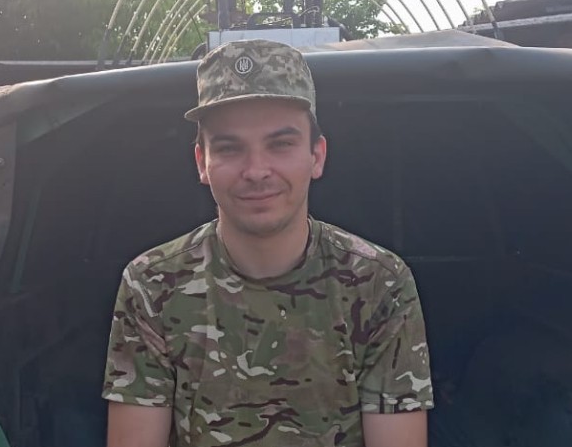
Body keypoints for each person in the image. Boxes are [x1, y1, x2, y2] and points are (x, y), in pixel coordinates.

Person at [102, 39, 434, 447]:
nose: (257, 170)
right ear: (202, 163)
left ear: (317, 156)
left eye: (280, 144)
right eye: (230, 148)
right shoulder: (152, 285)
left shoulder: (379, 283)